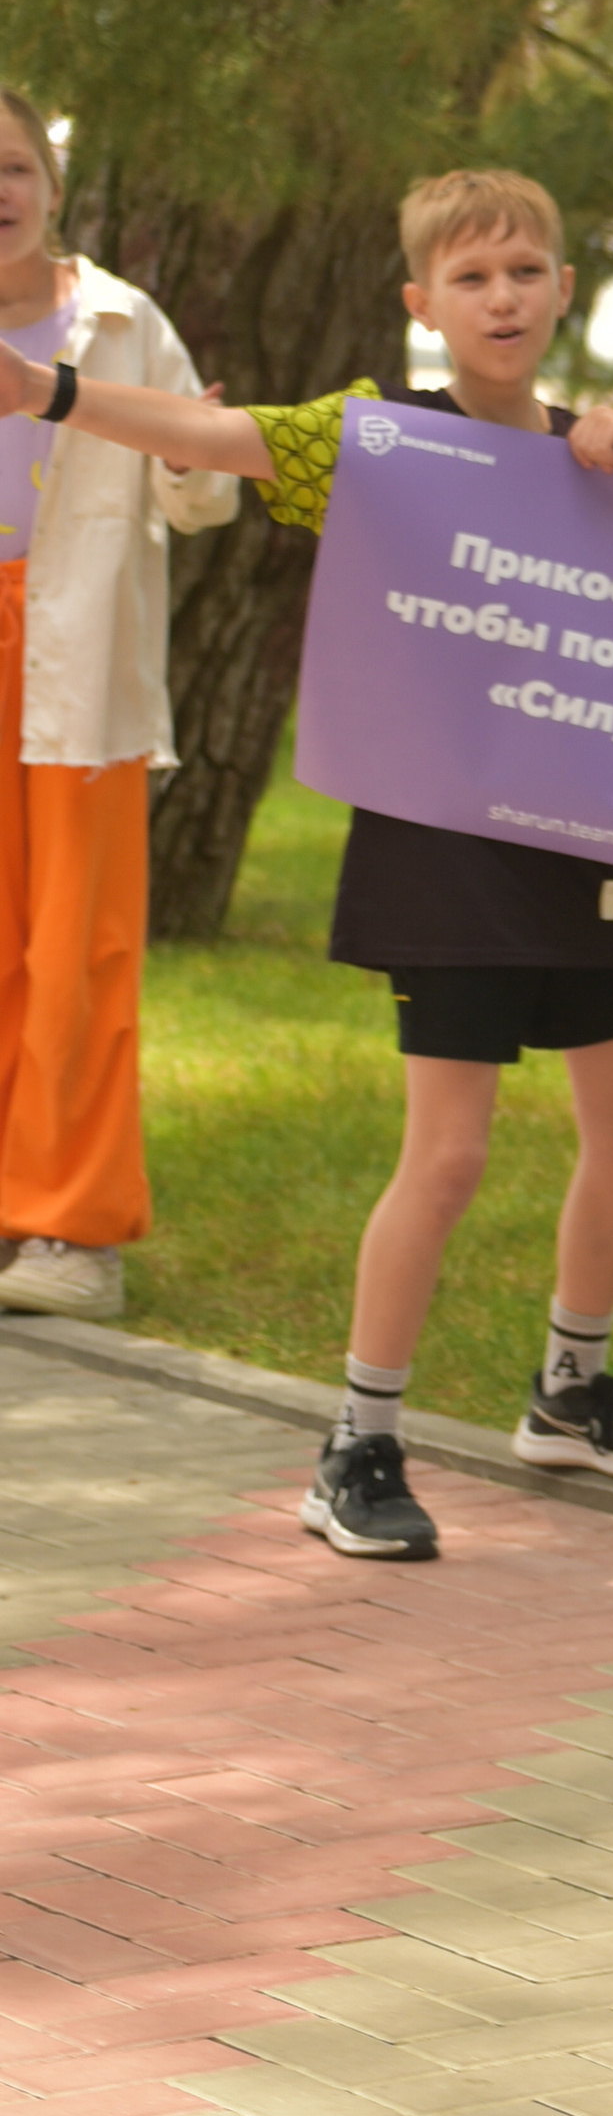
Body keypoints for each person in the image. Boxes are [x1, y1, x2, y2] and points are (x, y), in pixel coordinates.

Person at [0, 166, 613, 1560]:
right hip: (441, 857)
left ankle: (570, 1393)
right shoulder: (382, 438)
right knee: (447, 1154)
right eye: (471, 277)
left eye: (525, 271)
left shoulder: (600, 457)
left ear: (565, 289)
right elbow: (217, 434)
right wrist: (51, 393)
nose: (501, 297)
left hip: (584, 848)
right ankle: (358, 1443)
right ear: (420, 304)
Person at [0, 90, 238, 1320]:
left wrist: (192, 451)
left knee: (78, 949)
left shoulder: (120, 321)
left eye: (11, 167)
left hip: (77, 655)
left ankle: (72, 1234)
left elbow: (202, 494)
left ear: (51, 184)